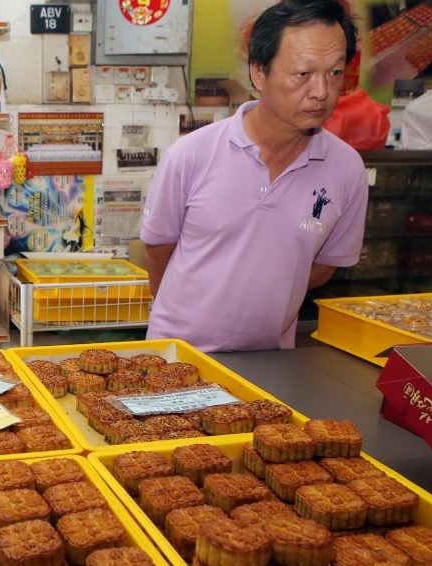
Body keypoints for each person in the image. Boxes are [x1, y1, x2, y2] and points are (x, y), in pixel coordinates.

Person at [141, 0, 368, 352]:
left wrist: (265, 291)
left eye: (335, 73)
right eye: (303, 74)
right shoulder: (192, 155)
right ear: (259, 72)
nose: (322, 91)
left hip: (272, 359)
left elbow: (325, 266)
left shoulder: (347, 169)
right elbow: (157, 250)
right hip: (177, 356)